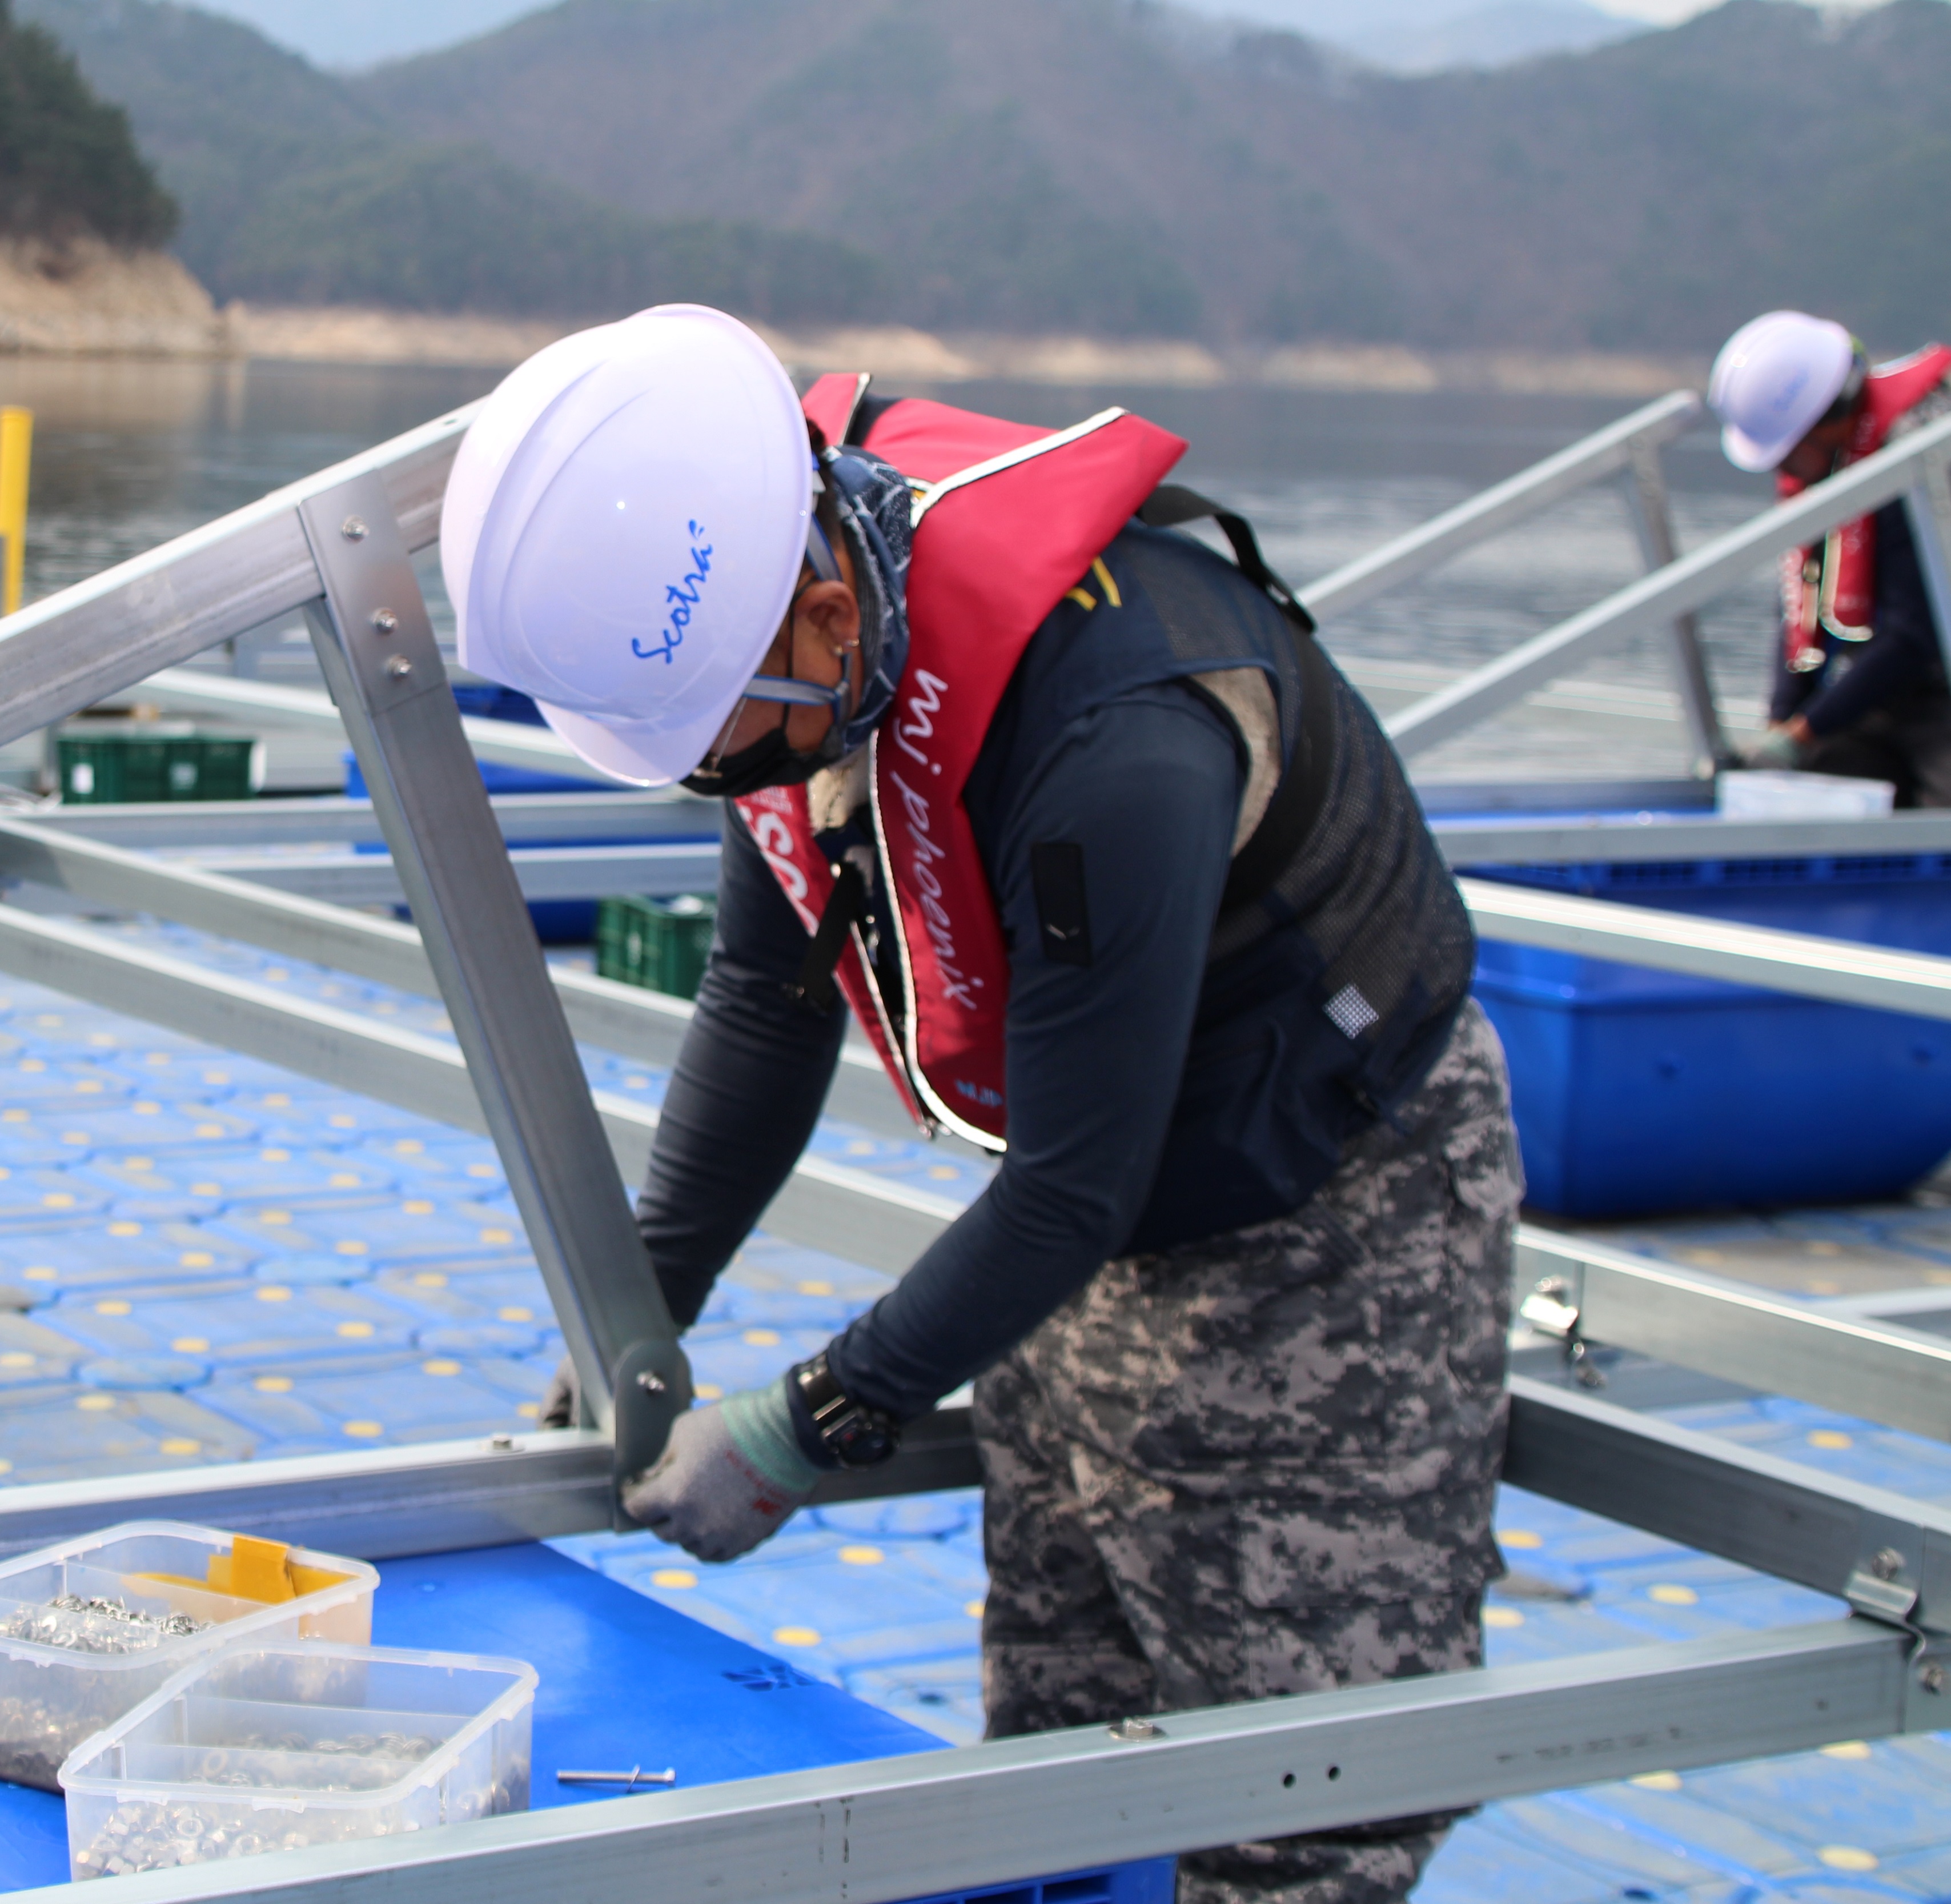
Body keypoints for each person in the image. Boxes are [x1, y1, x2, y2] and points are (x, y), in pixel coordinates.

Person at [447, 307, 1519, 1904]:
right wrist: (633, 1316)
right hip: (1092, 1215)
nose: (714, 779)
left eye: (715, 739)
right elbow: (768, 996)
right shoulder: (804, 637)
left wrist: (812, 1421)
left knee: (1298, 1786)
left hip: (1325, 1215)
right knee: (1066, 1718)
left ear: (817, 616)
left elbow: (1078, 1186)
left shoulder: (1116, 745)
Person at [1707, 310, 1951, 804]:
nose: (1784, 469)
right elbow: (1802, 604)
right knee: (1822, 776)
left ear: (1831, 421)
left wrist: (1801, 735)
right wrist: (1782, 723)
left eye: (1790, 452)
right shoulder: (1835, 468)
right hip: (1900, 690)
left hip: (1934, 680)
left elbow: (1915, 631)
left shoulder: (1918, 459)